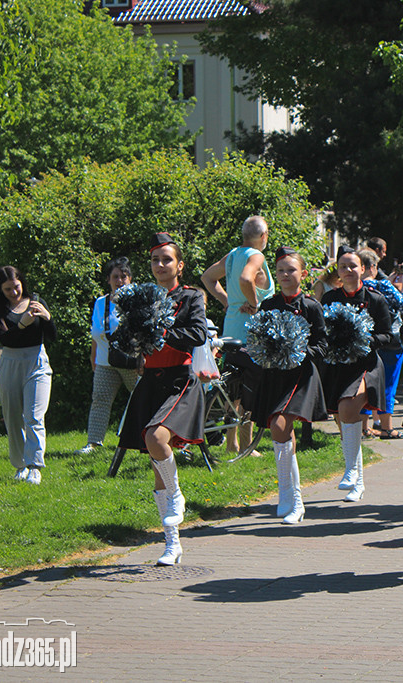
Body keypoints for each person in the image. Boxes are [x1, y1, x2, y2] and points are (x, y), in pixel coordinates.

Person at [118, 233, 207, 565]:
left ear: (179, 265)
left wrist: (163, 329)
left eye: (167, 259)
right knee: (156, 461)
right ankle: (172, 544)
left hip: (180, 381)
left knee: (156, 438)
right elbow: (125, 342)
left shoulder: (191, 297)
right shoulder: (141, 297)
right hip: (150, 382)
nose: (160, 265)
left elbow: (197, 334)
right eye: (155, 260)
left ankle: (177, 493)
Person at [245, 247, 328, 524]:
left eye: (291, 270)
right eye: (280, 271)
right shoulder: (268, 305)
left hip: (301, 376)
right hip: (275, 375)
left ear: (303, 274)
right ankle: (287, 494)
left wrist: (301, 352)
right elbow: (258, 340)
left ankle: (296, 501)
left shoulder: (312, 306)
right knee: (278, 429)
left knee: (281, 426)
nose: (284, 275)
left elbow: (322, 345)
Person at [321, 246, 393, 501]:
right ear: (338, 272)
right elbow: (321, 333)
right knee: (343, 419)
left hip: (366, 365)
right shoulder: (329, 300)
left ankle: (350, 469)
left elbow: (387, 335)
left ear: (363, 269)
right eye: (343, 267)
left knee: (349, 407)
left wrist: (362, 338)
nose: (349, 270)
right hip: (338, 367)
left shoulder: (375, 299)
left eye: (353, 266)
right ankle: (358, 482)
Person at [201, 216, 274, 454]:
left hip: (230, 328)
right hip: (250, 332)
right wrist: (254, 303)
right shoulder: (257, 256)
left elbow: (207, 277)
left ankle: (232, 443)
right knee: (250, 389)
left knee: (232, 390)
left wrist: (227, 301)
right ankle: (246, 446)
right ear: (264, 236)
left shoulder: (233, 254)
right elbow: (246, 279)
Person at [0, 266, 55, 485]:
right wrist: (22, 324)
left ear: (22, 283)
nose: (14, 292)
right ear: (0, 290)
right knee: (13, 416)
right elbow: (5, 339)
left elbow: (53, 336)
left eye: (16, 287)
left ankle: (35, 466)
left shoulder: (36, 302)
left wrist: (47, 318)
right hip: (10, 362)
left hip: (37, 362)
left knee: (34, 416)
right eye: (8, 289)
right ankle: (20, 465)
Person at [78, 257, 139, 454]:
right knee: (100, 400)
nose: (120, 280)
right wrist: (93, 358)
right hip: (105, 362)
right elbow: (95, 333)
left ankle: (146, 441)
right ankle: (94, 443)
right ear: (108, 280)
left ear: (130, 279)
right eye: (115, 277)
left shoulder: (137, 301)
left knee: (142, 400)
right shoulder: (100, 303)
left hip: (133, 363)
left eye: (124, 276)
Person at [359, 248, 403, 440]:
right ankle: (387, 427)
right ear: (372, 267)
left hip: (367, 340)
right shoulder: (383, 286)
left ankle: (364, 427)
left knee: (365, 383)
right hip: (389, 341)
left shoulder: (355, 288)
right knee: (388, 383)